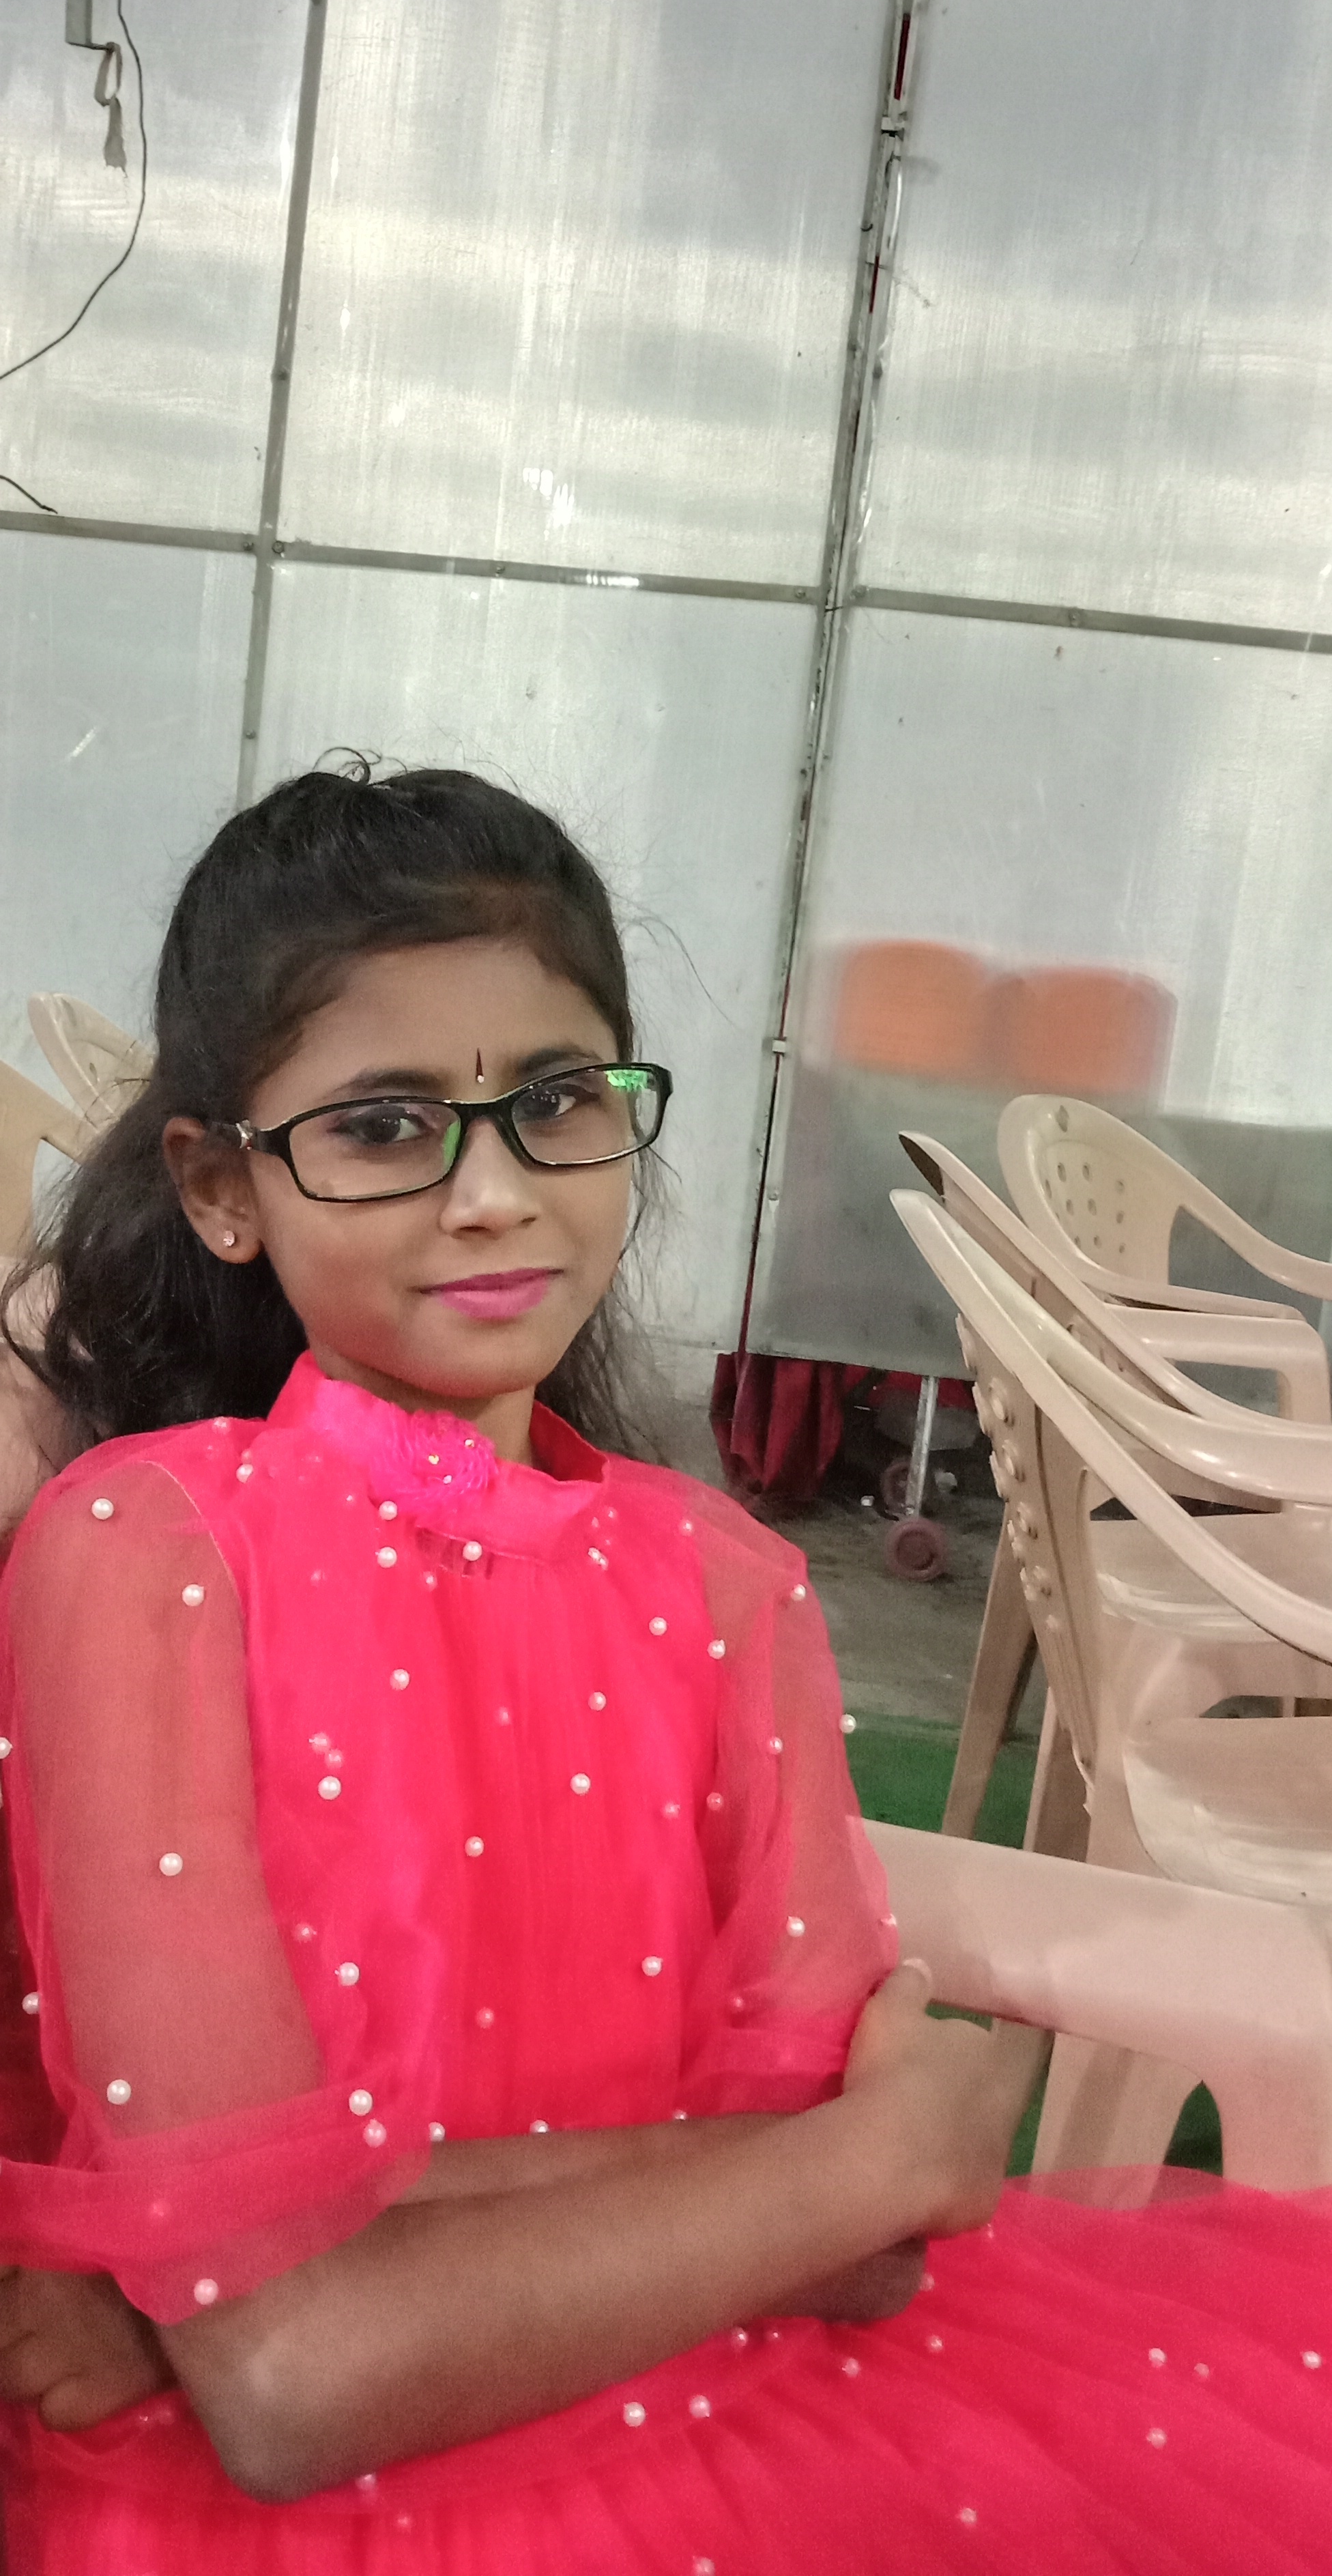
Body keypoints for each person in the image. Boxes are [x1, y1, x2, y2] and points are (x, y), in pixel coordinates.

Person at [0, 760, 1329, 2576]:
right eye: (383, 1127)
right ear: (224, 1186)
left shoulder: (720, 1578)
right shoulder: (152, 1550)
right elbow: (298, 2381)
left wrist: (216, 2267)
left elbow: (863, 2263)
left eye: (557, 1100)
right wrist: (868, 2161)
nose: (492, 1194)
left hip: (747, 2406)